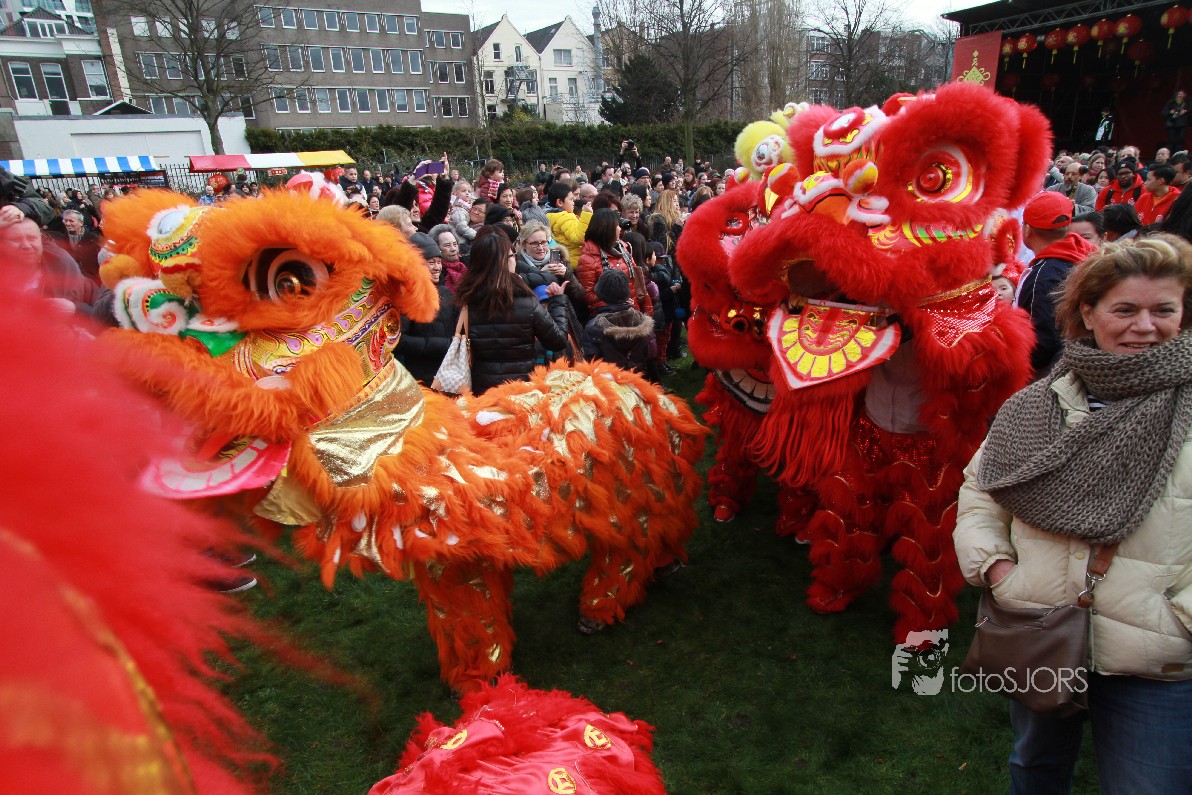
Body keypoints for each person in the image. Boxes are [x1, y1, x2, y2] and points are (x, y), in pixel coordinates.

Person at [954, 233, 1192, 795]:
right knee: (1034, 769)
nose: (1145, 326)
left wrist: (1179, 619)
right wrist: (997, 570)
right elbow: (982, 492)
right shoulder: (1038, 403)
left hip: (1155, 657)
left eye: (1163, 310)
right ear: (1088, 313)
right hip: (1040, 629)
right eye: (1125, 310)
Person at [453, 233, 568, 393]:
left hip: (481, 392)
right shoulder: (528, 303)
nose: (515, 260)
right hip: (522, 390)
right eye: (512, 256)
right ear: (504, 262)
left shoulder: (465, 303)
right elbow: (557, 341)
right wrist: (557, 301)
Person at [1016, 192, 1096, 378]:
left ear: (1027, 230)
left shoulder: (1044, 275)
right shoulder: (1083, 252)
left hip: (1051, 375)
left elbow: (1042, 342)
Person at [394, 234, 458, 386]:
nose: (437, 267)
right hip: (422, 378)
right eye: (431, 262)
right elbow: (398, 341)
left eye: (439, 262)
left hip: (449, 376)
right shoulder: (406, 296)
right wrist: (442, 345)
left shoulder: (445, 292)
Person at [581, 269, 656, 377]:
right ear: (626, 294)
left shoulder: (593, 327)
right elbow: (650, 353)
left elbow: (590, 363)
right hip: (637, 379)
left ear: (600, 295)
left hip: (609, 383)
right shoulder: (642, 320)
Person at [576, 209, 645, 314]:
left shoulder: (623, 249)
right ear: (607, 229)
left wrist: (647, 313)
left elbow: (636, 283)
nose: (620, 228)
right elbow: (588, 295)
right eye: (617, 225)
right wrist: (618, 304)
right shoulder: (588, 259)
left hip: (633, 312)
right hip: (608, 317)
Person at [545, 181, 592, 268]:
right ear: (560, 202)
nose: (573, 203)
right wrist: (586, 214)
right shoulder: (565, 217)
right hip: (574, 262)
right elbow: (578, 238)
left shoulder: (551, 216)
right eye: (571, 200)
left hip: (564, 260)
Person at [48, 208, 101, 282]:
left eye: (71, 221)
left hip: (92, 281)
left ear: (81, 223)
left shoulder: (94, 239)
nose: (67, 224)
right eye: (65, 221)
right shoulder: (60, 240)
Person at [427, 224, 467, 290]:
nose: (453, 249)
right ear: (436, 248)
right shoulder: (436, 272)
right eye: (447, 245)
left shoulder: (464, 266)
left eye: (455, 244)